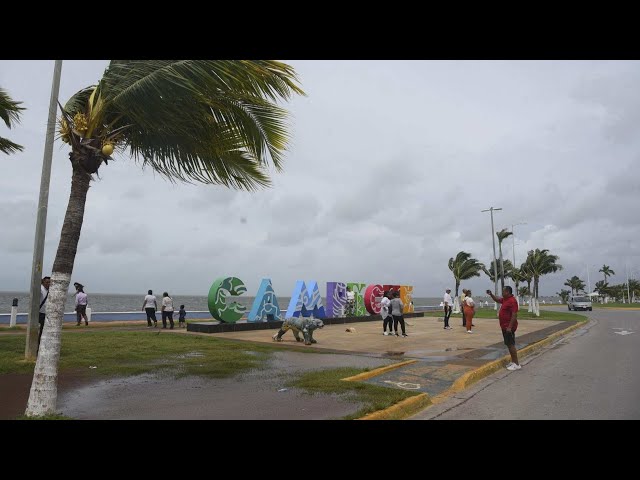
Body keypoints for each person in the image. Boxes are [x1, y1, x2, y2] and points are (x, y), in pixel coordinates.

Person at [487, 286, 521, 370]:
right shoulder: (505, 299)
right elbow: (497, 300)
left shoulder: (512, 301)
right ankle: (513, 362)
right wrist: (491, 294)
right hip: (504, 326)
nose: (502, 293)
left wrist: (509, 327)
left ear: (508, 292)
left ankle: (516, 364)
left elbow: (514, 315)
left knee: (511, 345)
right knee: (509, 345)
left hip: (508, 327)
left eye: (503, 291)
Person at [38, 276, 51, 347]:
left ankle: (41, 344)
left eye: (49, 282)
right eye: (47, 282)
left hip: (46, 313)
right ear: (43, 282)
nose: (48, 284)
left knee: (43, 331)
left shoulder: (49, 290)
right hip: (39, 313)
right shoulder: (40, 289)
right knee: (40, 331)